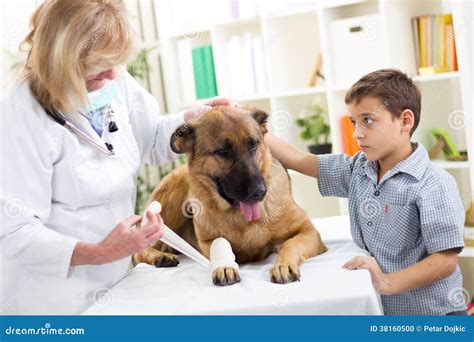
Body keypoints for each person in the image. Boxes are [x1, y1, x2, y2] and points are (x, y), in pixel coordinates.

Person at [0, 0, 232, 314]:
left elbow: (150, 138)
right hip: (51, 303)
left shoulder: (112, 79)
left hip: (117, 285)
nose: (112, 74)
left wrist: (190, 123)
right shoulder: (18, 113)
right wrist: (99, 251)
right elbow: (14, 232)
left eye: (116, 63)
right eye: (99, 66)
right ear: (62, 60)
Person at [265, 69, 466, 315]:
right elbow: (300, 159)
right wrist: (247, 123)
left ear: (405, 121)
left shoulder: (433, 183)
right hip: (385, 311)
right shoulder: (359, 168)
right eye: (354, 122)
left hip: (434, 316)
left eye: (368, 120)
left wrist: (386, 282)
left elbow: (444, 261)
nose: (357, 133)